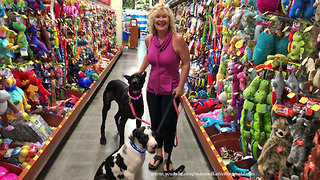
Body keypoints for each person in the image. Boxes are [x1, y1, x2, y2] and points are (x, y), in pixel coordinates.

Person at [134, 3, 190, 174]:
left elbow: (186, 63)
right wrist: (140, 71)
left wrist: (181, 86)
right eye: (157, 17)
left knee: (169, 125)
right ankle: (157, 154)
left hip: (171, 91)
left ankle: (167, 157)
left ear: (169, 19)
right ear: (153, 20)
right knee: (156, 123)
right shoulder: (149, 39)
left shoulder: (177, 40)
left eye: (164, 16)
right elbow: (148, 56)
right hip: (152, 89)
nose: (161, 20)